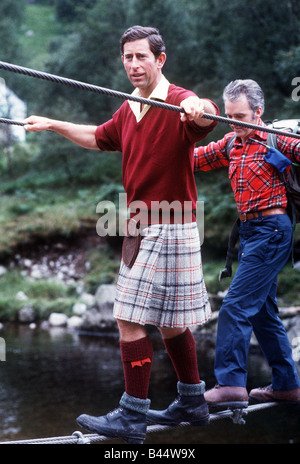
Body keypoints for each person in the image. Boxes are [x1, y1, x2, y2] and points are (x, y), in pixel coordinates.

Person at [24, 26, 219, 444]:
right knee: (171, 323)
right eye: (127, 58)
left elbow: (201, 112)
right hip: (150, 226)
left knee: (128, 319)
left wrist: (199, 107)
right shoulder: (130, 107)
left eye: (141, 57)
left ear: (160, 60)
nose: (133, 65)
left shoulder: (176, 101)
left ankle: (132, 415)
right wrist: (54, 124)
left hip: (168, 224)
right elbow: (97, 137)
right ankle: (193, 400)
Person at [193, 79, 300, 409]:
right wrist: (147, 142)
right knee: (262, 312)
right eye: (228, 117)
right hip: (251, 235)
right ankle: (287, 384)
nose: (233, 123)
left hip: (273, 230)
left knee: (235, 306)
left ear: (258, 112)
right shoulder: (230, 144)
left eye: (239, 116)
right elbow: (192, 160)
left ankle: (230, 383)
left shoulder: (276, 138)